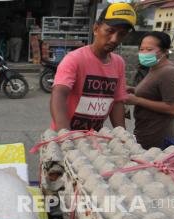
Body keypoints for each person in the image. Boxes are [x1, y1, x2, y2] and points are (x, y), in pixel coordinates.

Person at [50, 3, 136, 131]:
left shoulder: (119, 63)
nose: (114, 39)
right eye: (110, 31)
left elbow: (117, 101)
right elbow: (59, 93)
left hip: (93, 137)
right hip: (66, 133)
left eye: (121, 34)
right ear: (96, 29)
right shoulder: (75, 58)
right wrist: (64, 135)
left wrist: (122, 135)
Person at [125, 31, 174, 149]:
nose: (144, 53)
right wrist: (132, 89)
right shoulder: (154, 68)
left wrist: (138, 101)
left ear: (165, 51)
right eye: (141, 49)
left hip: (157, 135)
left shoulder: (169, 72)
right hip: (145, 130)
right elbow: (154, 92)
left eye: (149, 49)